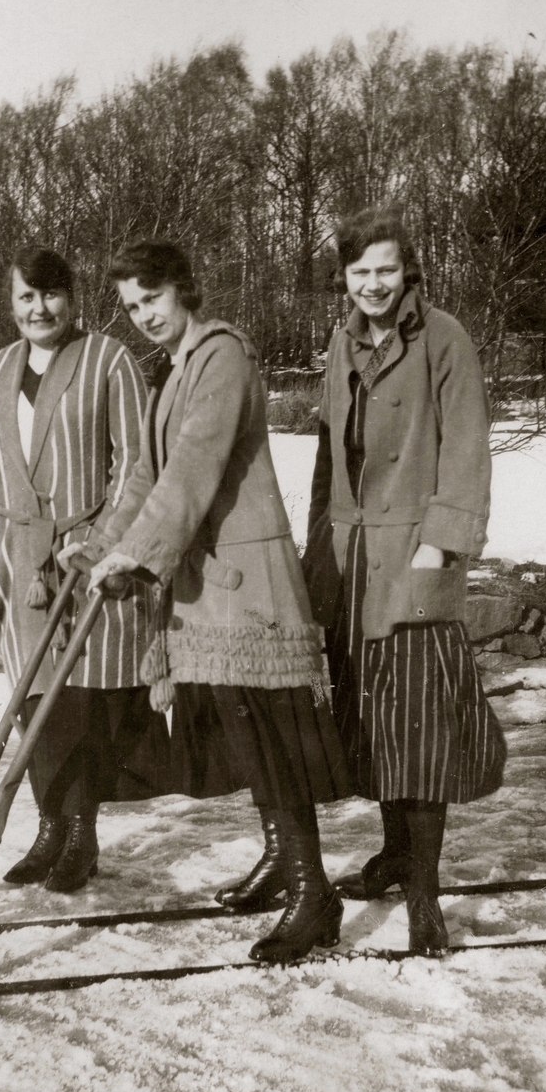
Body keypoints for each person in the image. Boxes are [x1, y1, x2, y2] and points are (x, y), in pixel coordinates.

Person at [70, 239, 351, 964]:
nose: (144, 317)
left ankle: (314, 891)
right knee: (241, 728)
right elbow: (143, 476)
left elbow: (195, 464)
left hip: (246, 582)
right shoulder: (169, 375)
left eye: (153, 299)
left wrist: (140, 554)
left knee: (273, 734)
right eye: (131, 307)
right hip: (206, 586)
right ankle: (280, 858)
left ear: (185, 290)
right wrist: (105, 546)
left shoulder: (223, 356)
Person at [303, 207, 507, 955]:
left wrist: (442, 545)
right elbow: (330, 457)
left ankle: (425, 896)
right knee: (377, 727)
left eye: (386, 269)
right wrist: (316, 555)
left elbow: (468, 451)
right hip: (353, 561)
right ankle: (393, 856)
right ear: (344, 279)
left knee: (420, 732)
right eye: (360, 272)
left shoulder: (444, 337)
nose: (374, 284)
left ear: (408, 270)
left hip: (417, 558)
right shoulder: (341, 340)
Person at [0, 244, 170, 893]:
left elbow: (137, 464)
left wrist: (107, 542)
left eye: (50, 295)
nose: (38, 308)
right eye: (25, 296)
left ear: (73, 299)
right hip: (15, 559)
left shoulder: (111, 359)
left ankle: (81, 833)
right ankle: (50, 827)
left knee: (84, 703)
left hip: (86, 555)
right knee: (33, 703)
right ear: (11, 304)